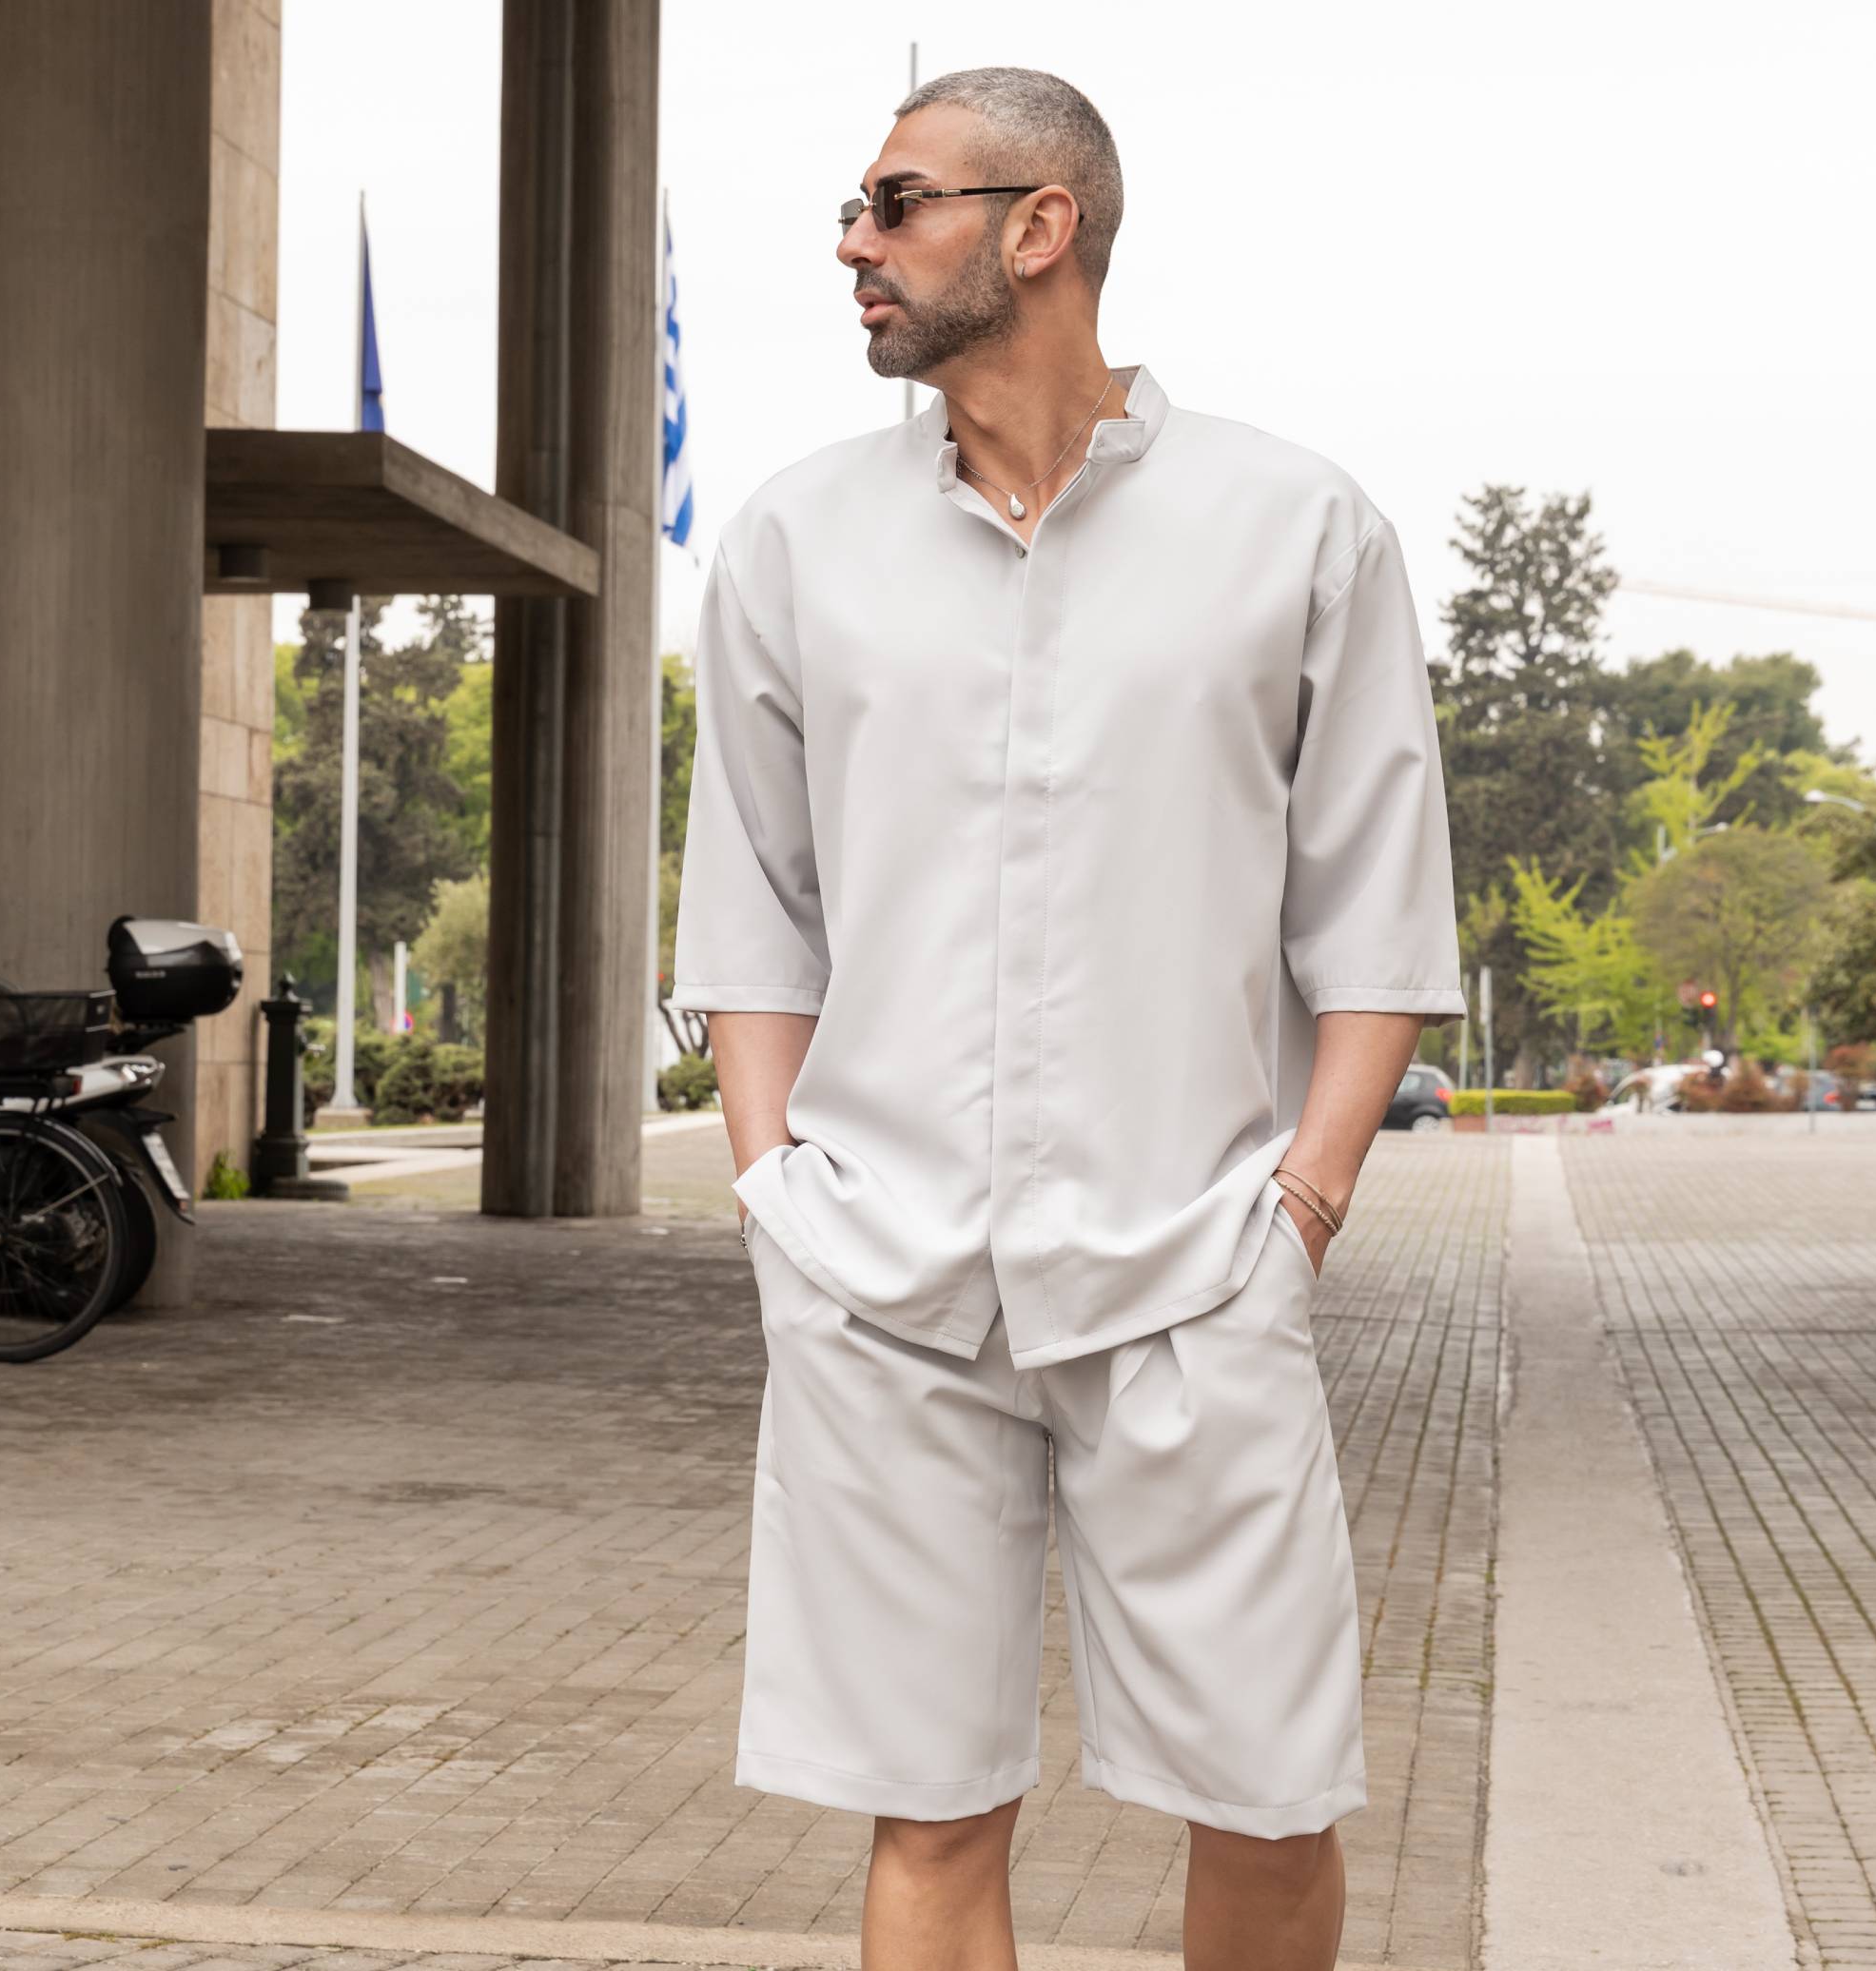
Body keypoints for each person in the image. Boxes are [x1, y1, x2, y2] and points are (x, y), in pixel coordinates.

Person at [665, 65, 1466, 1971]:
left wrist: (1301, 1210)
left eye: (896, 203)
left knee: (1268, 1796)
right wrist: (777, 1195)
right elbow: (753, 915)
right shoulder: (793, 541)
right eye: (855, 210)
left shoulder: (1296, 528)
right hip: (880, 1273)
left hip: (1196, 1266)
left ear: (1041, 228)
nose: (853, 246)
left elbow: (1376, 915)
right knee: (929, 1808)